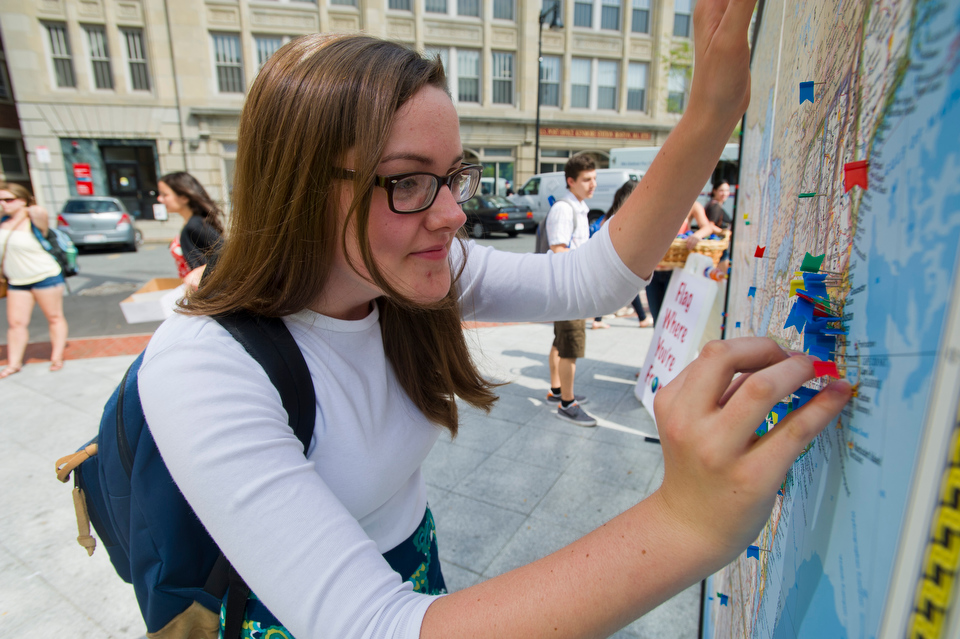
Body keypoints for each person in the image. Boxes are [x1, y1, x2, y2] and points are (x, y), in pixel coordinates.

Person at [136, 3, 852, 637]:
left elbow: (589, 276)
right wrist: (688, 523)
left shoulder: (415, 277)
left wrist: (711, 111)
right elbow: (375, 625)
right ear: (297, 184)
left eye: (453, 176)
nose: (453, 213)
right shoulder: (203, 364)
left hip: (417, 569)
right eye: (409, 181)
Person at [543, 154, 598, 426]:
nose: (593, 184)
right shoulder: (565, 209)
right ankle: (568, 402)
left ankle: (557, 390)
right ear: (571, 181)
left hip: (568, 289)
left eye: (594, 178)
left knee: (560, 341)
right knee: (570, 347)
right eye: (587, 179)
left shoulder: (579, 206)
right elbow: (559, 251)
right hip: (570, 290)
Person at [0, 184, 68, 377]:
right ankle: (14, 363)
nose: (3, 204)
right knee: (16, 323)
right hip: (17, 280)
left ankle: (56, 356)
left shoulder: (34, 220)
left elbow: (40, 211)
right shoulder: (3, 222)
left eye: (9, 199)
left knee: (54, 317)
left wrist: (26, 207)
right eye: (0, 200)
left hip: (44, 276)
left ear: (23, 200)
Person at [598, 179, 654, 328]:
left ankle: (598, 320)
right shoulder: (627, 212)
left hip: (609, 258)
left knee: (612, 288)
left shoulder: (613, 210)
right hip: (620, 259)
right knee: (628, 288)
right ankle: (642, 318)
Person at [156, 172, 225, 290]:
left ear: (184, 197)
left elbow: (227, 255)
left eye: (165, 195)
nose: (159, 199)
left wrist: (202, 271)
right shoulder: (193, 223)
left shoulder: (194, 225)